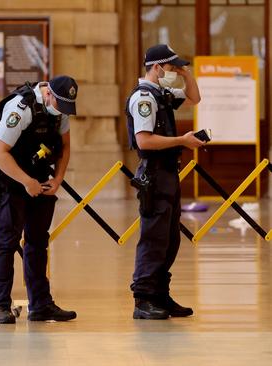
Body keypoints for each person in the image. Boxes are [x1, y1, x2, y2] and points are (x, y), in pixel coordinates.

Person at [0, 76, 78, 324]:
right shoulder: (21, 107)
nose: (64, 112)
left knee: (38, 242)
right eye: (61, 106)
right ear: (48, 95)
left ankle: (40, 305)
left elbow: (65, 147)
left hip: (39, 182)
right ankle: (0, 306)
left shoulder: (61, 109)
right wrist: (26, 182)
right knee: (6, 241)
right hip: (10, 181)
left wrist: (57, 179)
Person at [126, 44, 203, 320]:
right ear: (157, 67)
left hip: (168, 172)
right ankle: (143, 298)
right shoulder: (144, 98)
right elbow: (144, 140)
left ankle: (160, 293)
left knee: (169, 239)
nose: (174, 72)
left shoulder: (162, 93)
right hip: (155, 174)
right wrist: (182, 140)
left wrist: (186, 73)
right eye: (170, 67)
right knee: (154, 238)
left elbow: (195, 98)